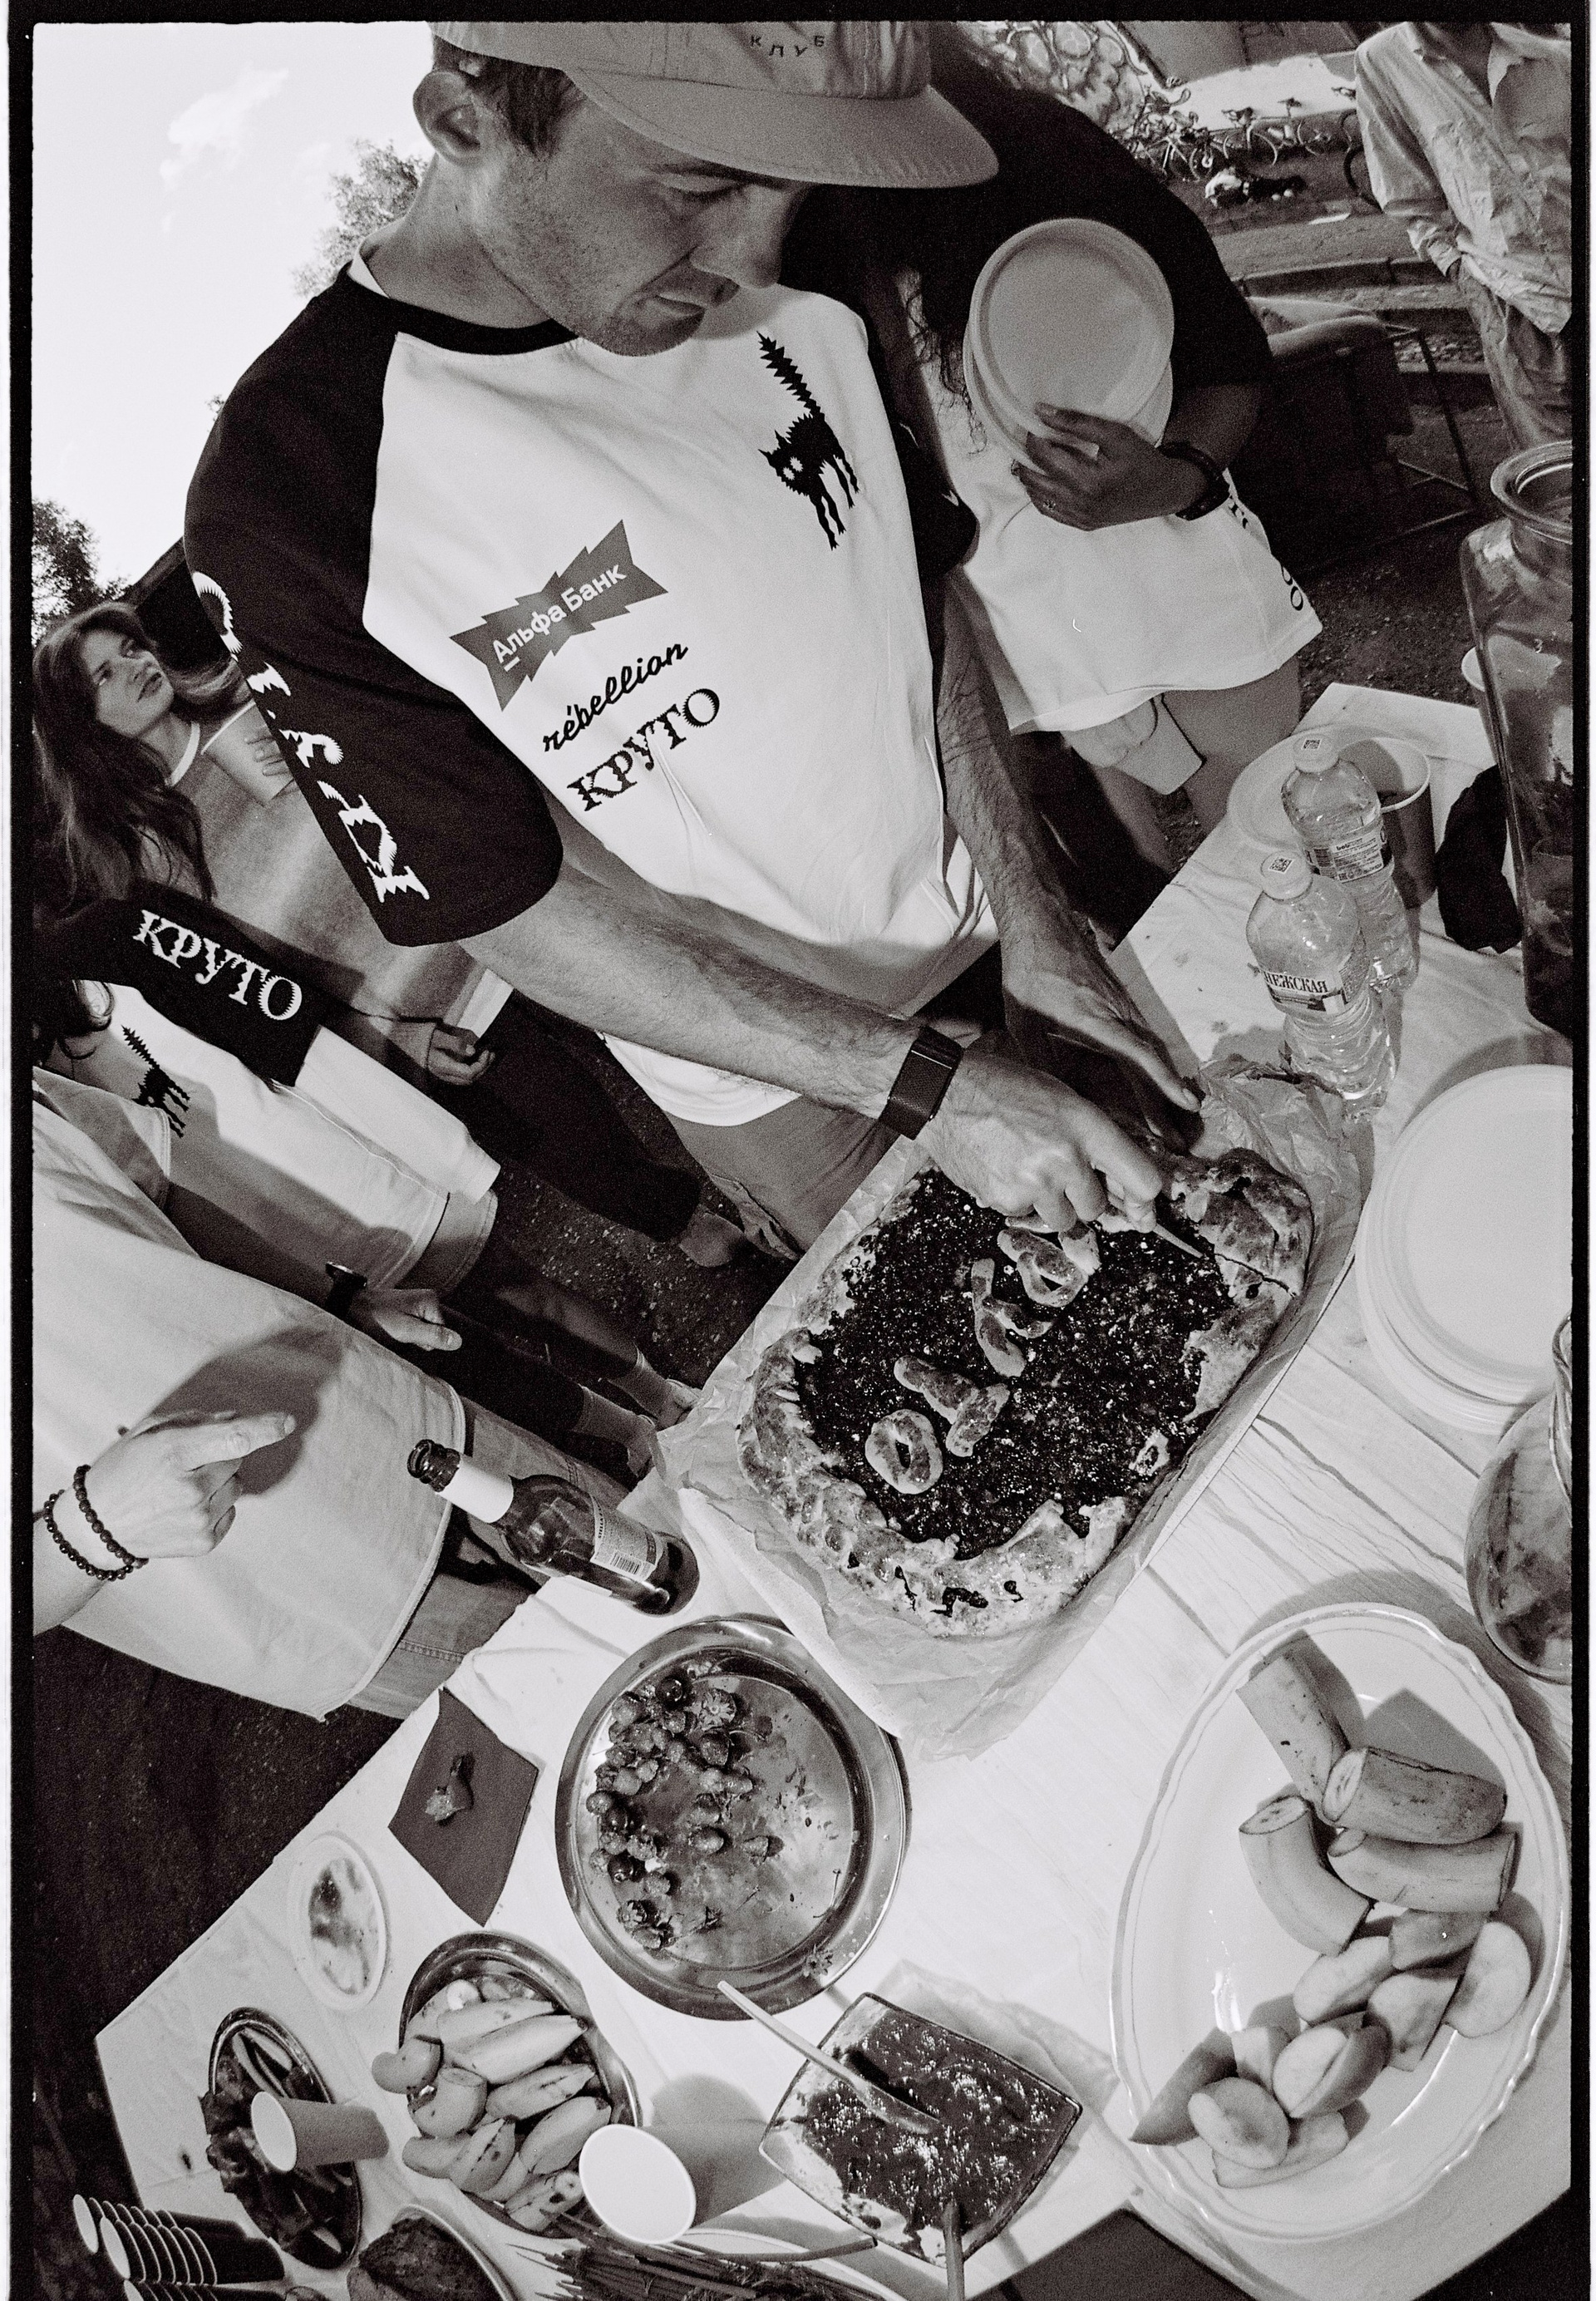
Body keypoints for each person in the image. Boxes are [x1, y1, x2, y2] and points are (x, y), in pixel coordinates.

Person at [184, 21, 1190, 1264]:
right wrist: (924, 1083)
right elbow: (503, 907)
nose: (754, 255)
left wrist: (1033, 909)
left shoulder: (802, 293)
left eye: (789, 188)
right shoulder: (295, 490)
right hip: (777, 1083)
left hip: (1007, 928)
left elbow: (914, 600)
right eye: (698, 187)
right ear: (463, 119)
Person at [32, 602, 746, 1266]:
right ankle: (687, 1225)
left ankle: (760, 1175)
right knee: (575, 1136)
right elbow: (257, 980)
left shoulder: (270, 702)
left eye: (131, 647)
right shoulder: (135, 860)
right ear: (77, 724)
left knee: (683, 1035)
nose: (134, 666)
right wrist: (394, 1038)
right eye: (104, 675)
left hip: (504, 916)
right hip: (429, 1009)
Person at [783, 22, 1319, 894]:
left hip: (1177, 589)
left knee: (1283, 859)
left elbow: (1226, 352)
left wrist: (1175, 474)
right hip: (1003, 643)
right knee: (1131, 913)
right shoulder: (776, 221)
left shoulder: (1035, 147)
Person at [32, 1067, 629, 1718]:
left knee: (669, 1569)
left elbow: (154, 1197)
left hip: (389, 1410)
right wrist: (91, 1532)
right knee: (611, 1727)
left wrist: (344, 1298)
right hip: (300, 1599)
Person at [1356, 23, 1573, 452]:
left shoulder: (1553, 55)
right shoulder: (1383, 62)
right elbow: (1407, 194)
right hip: (1512, 299)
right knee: (1555, 468)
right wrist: (1465, 278)